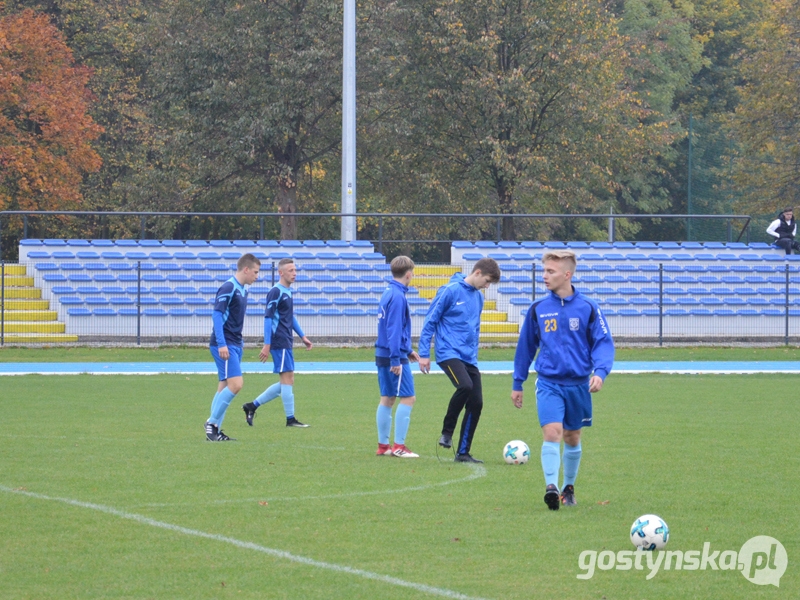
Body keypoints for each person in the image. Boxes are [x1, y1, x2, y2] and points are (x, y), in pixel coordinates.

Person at [511, 250, 614, 510]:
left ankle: (568, 487)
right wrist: (517, 382)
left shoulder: (589, 307)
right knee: (552, 432)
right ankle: (551, 488)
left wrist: (600, 373)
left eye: (550, 271)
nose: (544, 276)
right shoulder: (538, 309)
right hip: (548, 383)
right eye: (544, 270)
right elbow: (525, 347)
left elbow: (603, 343)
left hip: (579, 384)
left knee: (572, 436)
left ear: (567, 275)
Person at [418, 258, 502, 463]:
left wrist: (474, 356)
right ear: (478, 272)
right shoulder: (450, 290)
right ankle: (447, 433)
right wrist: (423, 353)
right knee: (465, 385)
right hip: (448, 352)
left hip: (468, 357)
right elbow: (430, 321)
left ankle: (463, 452)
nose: (487, 286)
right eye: (487, 281)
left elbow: (474, 328)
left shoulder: (479, 298)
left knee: (477, 402)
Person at [242, 258, 313, 428]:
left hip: (286, 340)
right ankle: (290, 419)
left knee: (287, 381)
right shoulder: (275, 292)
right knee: (287, 379)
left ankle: (252, 406)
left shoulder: (287, 292)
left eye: (295, 270)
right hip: (279, 341)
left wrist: (302, 336)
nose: (294, 273)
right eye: (290, 270)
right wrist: (267, 344)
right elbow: (268, 318)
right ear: (281, 273)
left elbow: (289, 316)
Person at [205, 253, 261, 441]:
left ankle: (215, 431)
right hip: (225, 344)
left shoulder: (243, 289)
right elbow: (217, 315)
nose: (257, 276)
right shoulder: (229, 287)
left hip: (235, 343)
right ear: (246, 269)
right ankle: (211, 424)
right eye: (255, 272)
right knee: (236, 385)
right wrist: (222, 343)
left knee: (223, 387)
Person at [375, 256, 420, 458]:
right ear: (408, 274)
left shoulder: (388, 292)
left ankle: (383, 446)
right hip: (392, 356)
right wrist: (397, 358)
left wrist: (407, 349)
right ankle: (399, 446)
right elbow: (393, 329)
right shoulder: (399, 296)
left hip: (382, 352)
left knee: (387, 398)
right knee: (408, 397)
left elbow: (389, 328)